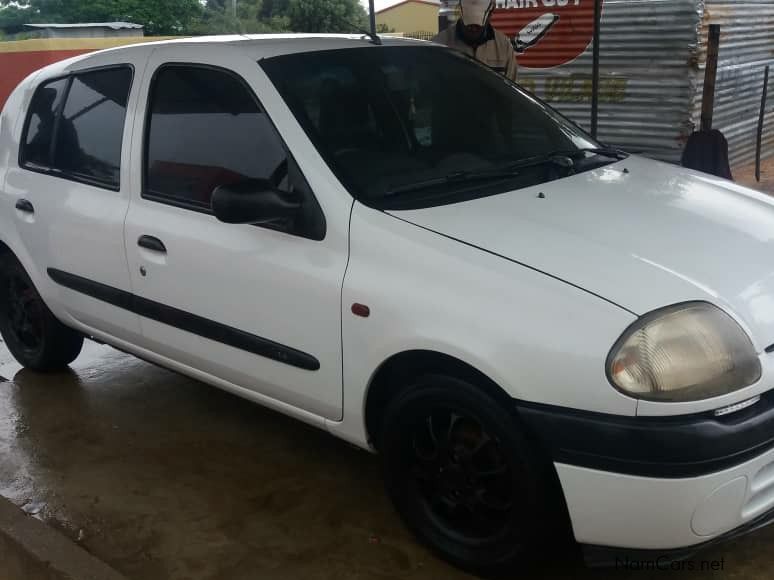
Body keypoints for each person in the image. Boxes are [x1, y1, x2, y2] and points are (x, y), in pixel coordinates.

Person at [433, 0, 518, 82]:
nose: (473, 29)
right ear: (460, 12)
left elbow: (511, 89)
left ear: (490, 14)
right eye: (469, 25)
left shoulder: (504, 47)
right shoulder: (439, 45)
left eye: (478, 26)